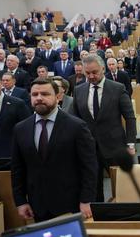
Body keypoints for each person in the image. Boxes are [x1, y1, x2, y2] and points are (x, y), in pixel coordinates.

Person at [11, 78, 97, 222]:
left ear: (58, 97)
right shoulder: (20, 128)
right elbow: (17, 168)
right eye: (35, 94)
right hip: (37, 205)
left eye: (45, 94)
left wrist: (87, 200)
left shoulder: (77, 126)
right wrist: (20, 201)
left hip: (71, 205)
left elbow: (89, 167)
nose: (39, 98)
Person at [73, 55, 137, 201]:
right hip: (89, 148)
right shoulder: (79, 90)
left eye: (94, 72)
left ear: (103, 69)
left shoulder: (117, 88)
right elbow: (76, 120)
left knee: (121, 188)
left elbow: (130, 118)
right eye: (87, 73)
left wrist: (131, 143)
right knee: (94, 188)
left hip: (115, 147)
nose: (91, 76)